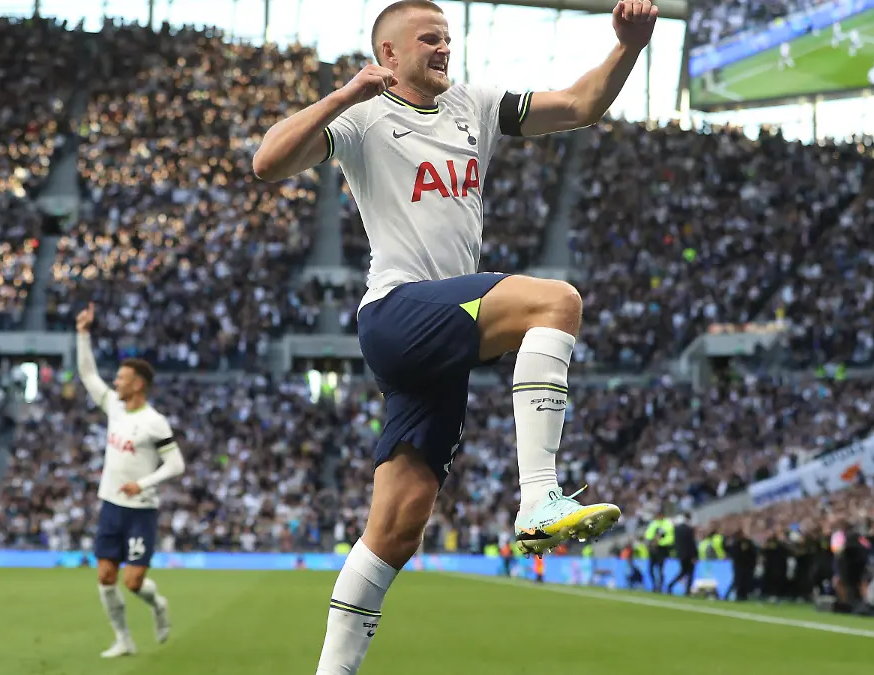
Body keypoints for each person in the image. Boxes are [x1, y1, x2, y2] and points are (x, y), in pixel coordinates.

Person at [253, 1, 657, 673]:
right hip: (397, 313)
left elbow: (583, 105)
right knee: (555, 301)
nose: (444, 47)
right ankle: (538, 496)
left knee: (399, 524)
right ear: (388, 55)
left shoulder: (476, 104)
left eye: (448, 37)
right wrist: (347, 92)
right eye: (428, 39)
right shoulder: (362, 115)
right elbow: (267, 162)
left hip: (443, 337)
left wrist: (631, 47)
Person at [76, 303, 185, 658]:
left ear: (137, 384)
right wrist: (82, 334)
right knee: (106, 577)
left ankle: (159, 606)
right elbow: (88, 374)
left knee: (133, 582)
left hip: (140, 510)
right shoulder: (115, 408)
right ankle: (124, 639)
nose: (116, 382)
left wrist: (145, 483)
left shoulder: (155, 422)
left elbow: (176, 464)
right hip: (110, 504)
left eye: (121, 378)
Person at [667, 513, 698, 596]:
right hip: (689, 555)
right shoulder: (689, 529)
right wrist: (695, 555)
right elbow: (691, 543)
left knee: (682, 572)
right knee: (690, 572)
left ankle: (671, 585)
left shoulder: (676, 529)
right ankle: (687, 590)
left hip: (680, 554)